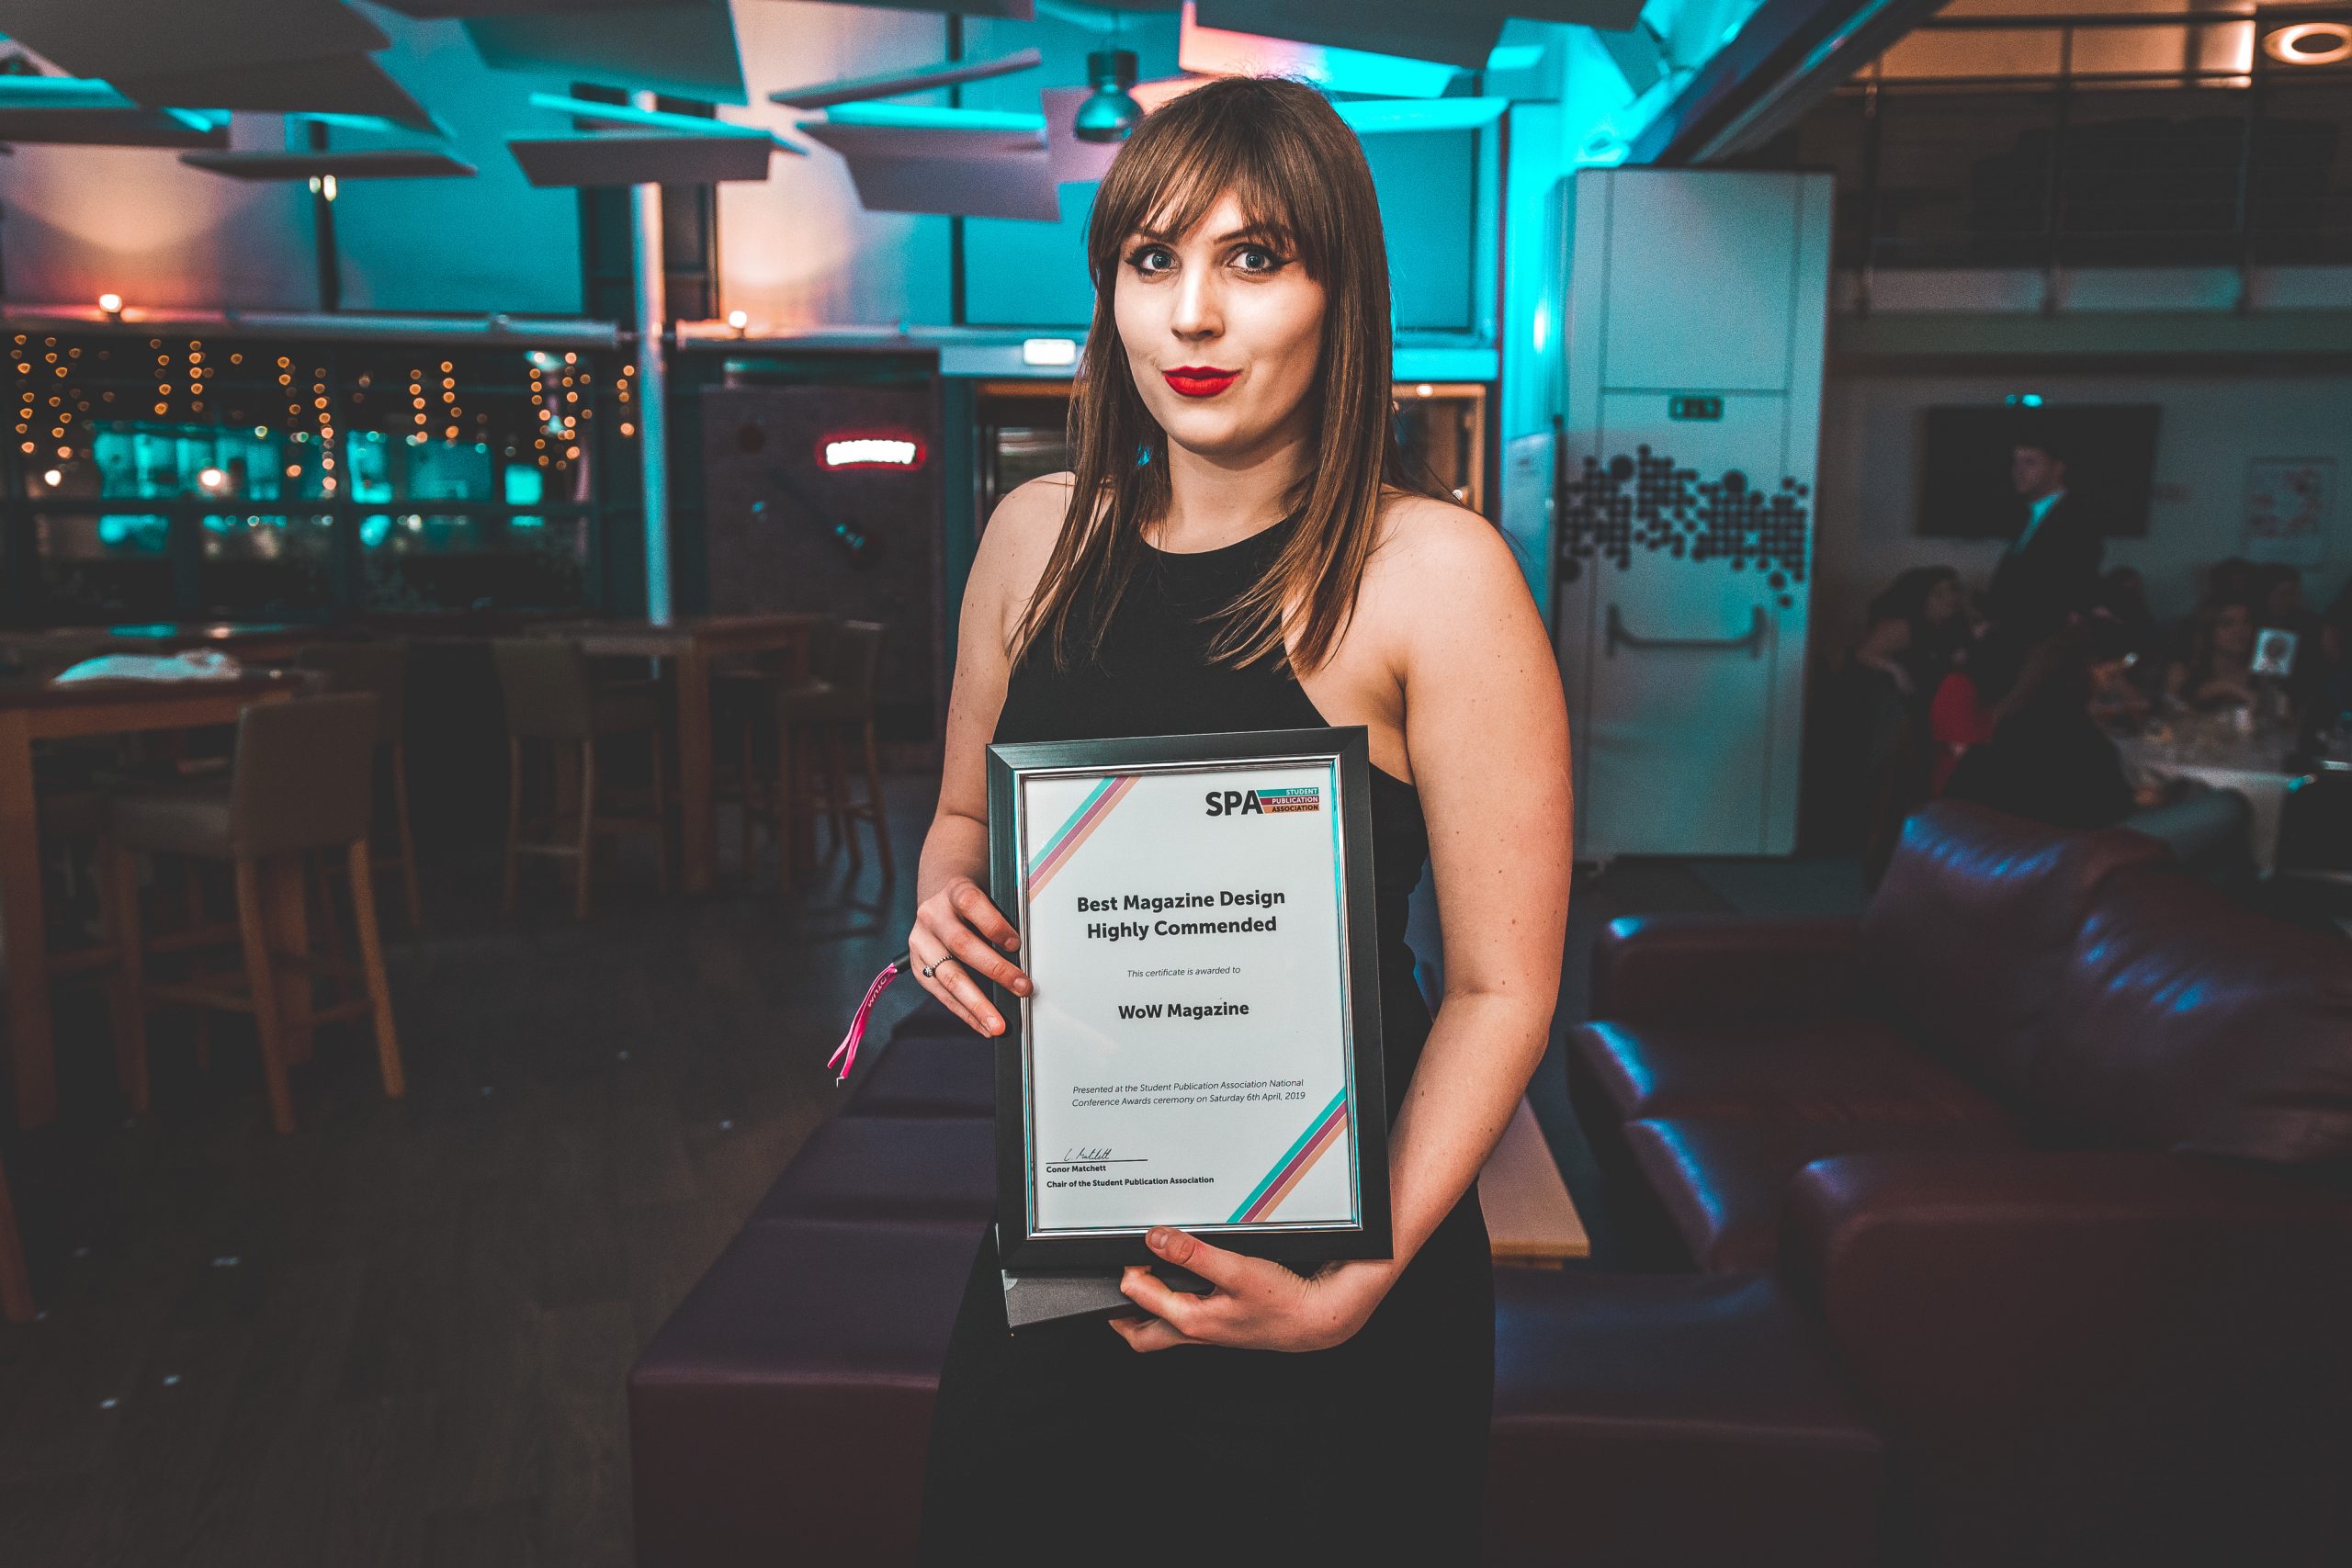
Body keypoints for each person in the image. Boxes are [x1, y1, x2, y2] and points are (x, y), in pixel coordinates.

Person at [907, 77, 1572, 1561]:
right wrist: (940, 895)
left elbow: (1501, 987)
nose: (1192, 316)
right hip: (1068, 1239)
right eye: (1152, 260)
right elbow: (961, 815)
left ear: (1340, 290)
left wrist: (1360, 1272)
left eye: (1254, 258)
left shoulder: (1437, 576)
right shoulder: (1034, 538)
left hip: (1334, 1262)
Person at [1944, 621, 2159, 829]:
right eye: (2110, 675)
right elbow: (2112, 816)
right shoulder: (2082, 745)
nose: (2109, 686)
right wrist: (2145, 799)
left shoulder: (2012, 729)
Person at [1985, 428, 2103, 637]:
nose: (2018, 471)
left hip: (2042, 635)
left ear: (2057, 468)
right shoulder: (2026, 514)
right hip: (2015, 632)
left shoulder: (2077, 517)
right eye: (2016, 462)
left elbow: (2071, 580)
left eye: (2030, 462)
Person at [2167, 594, 2262, 712]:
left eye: (2246, 622)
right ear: (2209, 630)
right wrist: (2226, 687)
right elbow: (2170, 709)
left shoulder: (2259, 669)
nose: (2240, 630)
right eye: (2227, 624)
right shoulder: (2185, 668)